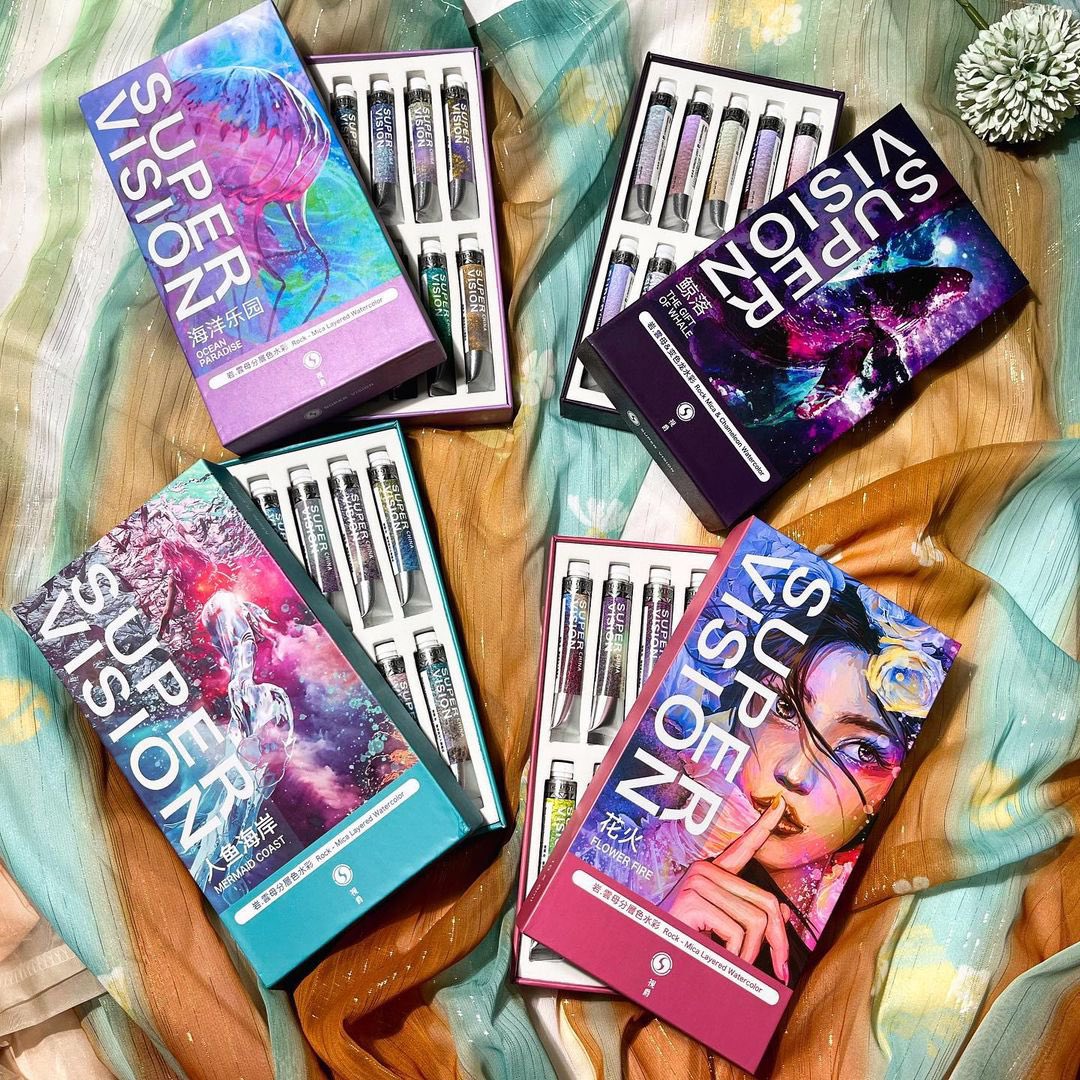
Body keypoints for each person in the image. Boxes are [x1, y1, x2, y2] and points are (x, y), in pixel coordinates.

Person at [657, 585, 950, 984]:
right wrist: (662, 935)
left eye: (862, 751)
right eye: (785, 708)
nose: (794, 774)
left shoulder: (891, 942)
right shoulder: (648, 851)